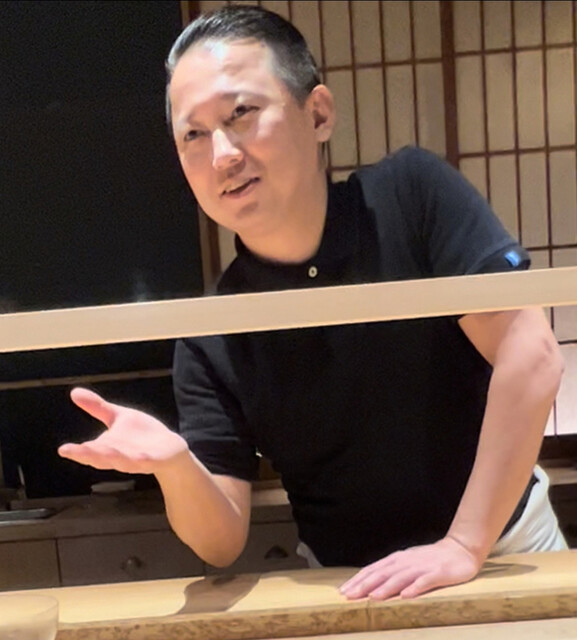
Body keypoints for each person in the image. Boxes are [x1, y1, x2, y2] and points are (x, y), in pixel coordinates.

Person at [58, 5, 567, 600]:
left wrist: (463, 545)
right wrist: (175, 466)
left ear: (318, 113)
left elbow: (531, 356)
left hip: (503, 548)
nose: (222, 154)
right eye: (193, 134)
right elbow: (220, 541)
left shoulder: (411, 197)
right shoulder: (210, 329)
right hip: (345, 583)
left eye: (241, 113)